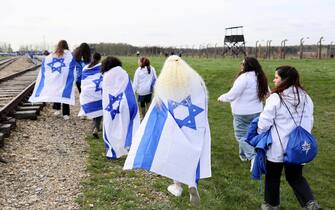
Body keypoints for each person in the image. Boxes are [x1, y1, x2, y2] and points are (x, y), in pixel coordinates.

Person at [124, 55, 211, 207]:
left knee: (174, 153)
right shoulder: (196, 82)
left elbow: (158, 108)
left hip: (174, 127)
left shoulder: (165, 85)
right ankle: (192, 183)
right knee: (191, 153)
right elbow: (202, 102)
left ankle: (177, 185)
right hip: (193, 126)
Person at [257, 66, 322, 210]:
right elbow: (309, 119)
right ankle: (310, 204)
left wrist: (259, 132)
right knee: (296, 177)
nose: (274, 80)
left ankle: (271, 205)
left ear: (284, 79)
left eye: (276, 77)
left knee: (273, 177)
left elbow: (264, 122)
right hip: (298, 146)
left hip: (278, 146)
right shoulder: (305, 96)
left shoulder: (276, 98)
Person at [218, 57, 269, 169]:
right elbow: (268, 94)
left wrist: (222, 98)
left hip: (241, 113)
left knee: (241, 136)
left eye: (242, 63)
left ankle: (253, 156)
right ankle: (243, 155)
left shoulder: (244, 78)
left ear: (247, 66)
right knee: (251, 135)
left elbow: (233, 94)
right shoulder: (260, 77)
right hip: (257, 111)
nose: (240, 65)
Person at [101, 56, 140, 159]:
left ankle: (113, 150)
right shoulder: (124, 73)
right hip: (125, 104)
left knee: (111, 127)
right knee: (125, 126)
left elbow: (105, 92)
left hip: (111, 106)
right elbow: (129, 88)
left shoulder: (106, 75)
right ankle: (127, 146)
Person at [29, 40, 76, 120]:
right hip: (65, 78)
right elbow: (72, 64)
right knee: (64, 92)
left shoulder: (53, 54)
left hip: (56, 78)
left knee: (56, 91)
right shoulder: (69, 55)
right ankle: (66, 114)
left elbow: (46, 60)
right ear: (66, 45)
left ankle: (57, 110)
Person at [78, 52, 103, 138]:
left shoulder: (85, 68)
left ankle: (95, 126)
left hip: (87, 91)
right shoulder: (102, 67)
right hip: (98, 91)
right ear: (99, 59)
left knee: (93, 109)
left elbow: (83, 80)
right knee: (99, 109)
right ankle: (96, 128)